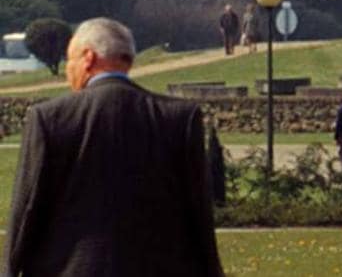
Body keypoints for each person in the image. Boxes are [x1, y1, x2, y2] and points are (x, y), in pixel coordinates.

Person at [5, 17, 224, 276]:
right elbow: (198, 210)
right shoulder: (179, 118)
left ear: (88, 58)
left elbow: (28, 207)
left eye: (70, 60)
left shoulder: (50, 118)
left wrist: (10, 269)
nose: (68, 70)